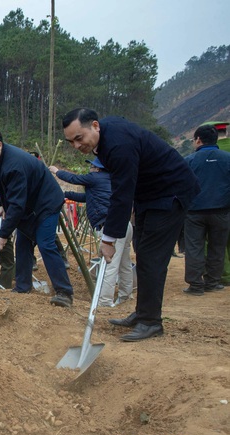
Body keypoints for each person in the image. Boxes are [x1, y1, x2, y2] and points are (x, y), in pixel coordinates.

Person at [62, 108, 200, 341]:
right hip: (150, 195)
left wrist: (108, 239)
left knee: (152, 258)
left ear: (95, 126)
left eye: (79, 138)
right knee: (144, 254)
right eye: (70, 142)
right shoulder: (107, 136)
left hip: (170, 192)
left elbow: (121, 194)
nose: (76, 146)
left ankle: (151, 322)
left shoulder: (118, 146)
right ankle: (144, 312)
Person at [0, 128, 74, 307]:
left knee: (45, 243)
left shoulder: (14, 164)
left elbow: (18, 205)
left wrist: (3, 234)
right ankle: (22, 286)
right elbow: (4, 186)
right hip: (30, 203)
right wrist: (3, 204)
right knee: (23, 243)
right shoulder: (0, 159)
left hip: (45, 204)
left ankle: (64, 292)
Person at [50, 158, 133, 307]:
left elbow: (73, 178)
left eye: (92, 166)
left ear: (98, 168)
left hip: (111, 225)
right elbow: (85, 197)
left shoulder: (95, 177)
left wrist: (56, 171)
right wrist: (64, 194)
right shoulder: (109, 180)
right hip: (124, 225)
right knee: (124, 263)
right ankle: (125, 295)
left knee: (110, 264)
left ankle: (105, 302)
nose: (90, 168)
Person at [182, 124, 230, 295]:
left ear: (198, 140)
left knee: (194, 247)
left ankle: (195, 285)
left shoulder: (189, 161)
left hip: (194, 212)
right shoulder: (227, 158)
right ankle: (213, 282)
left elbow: (182, 186)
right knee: (218, 247)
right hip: (221, 212)